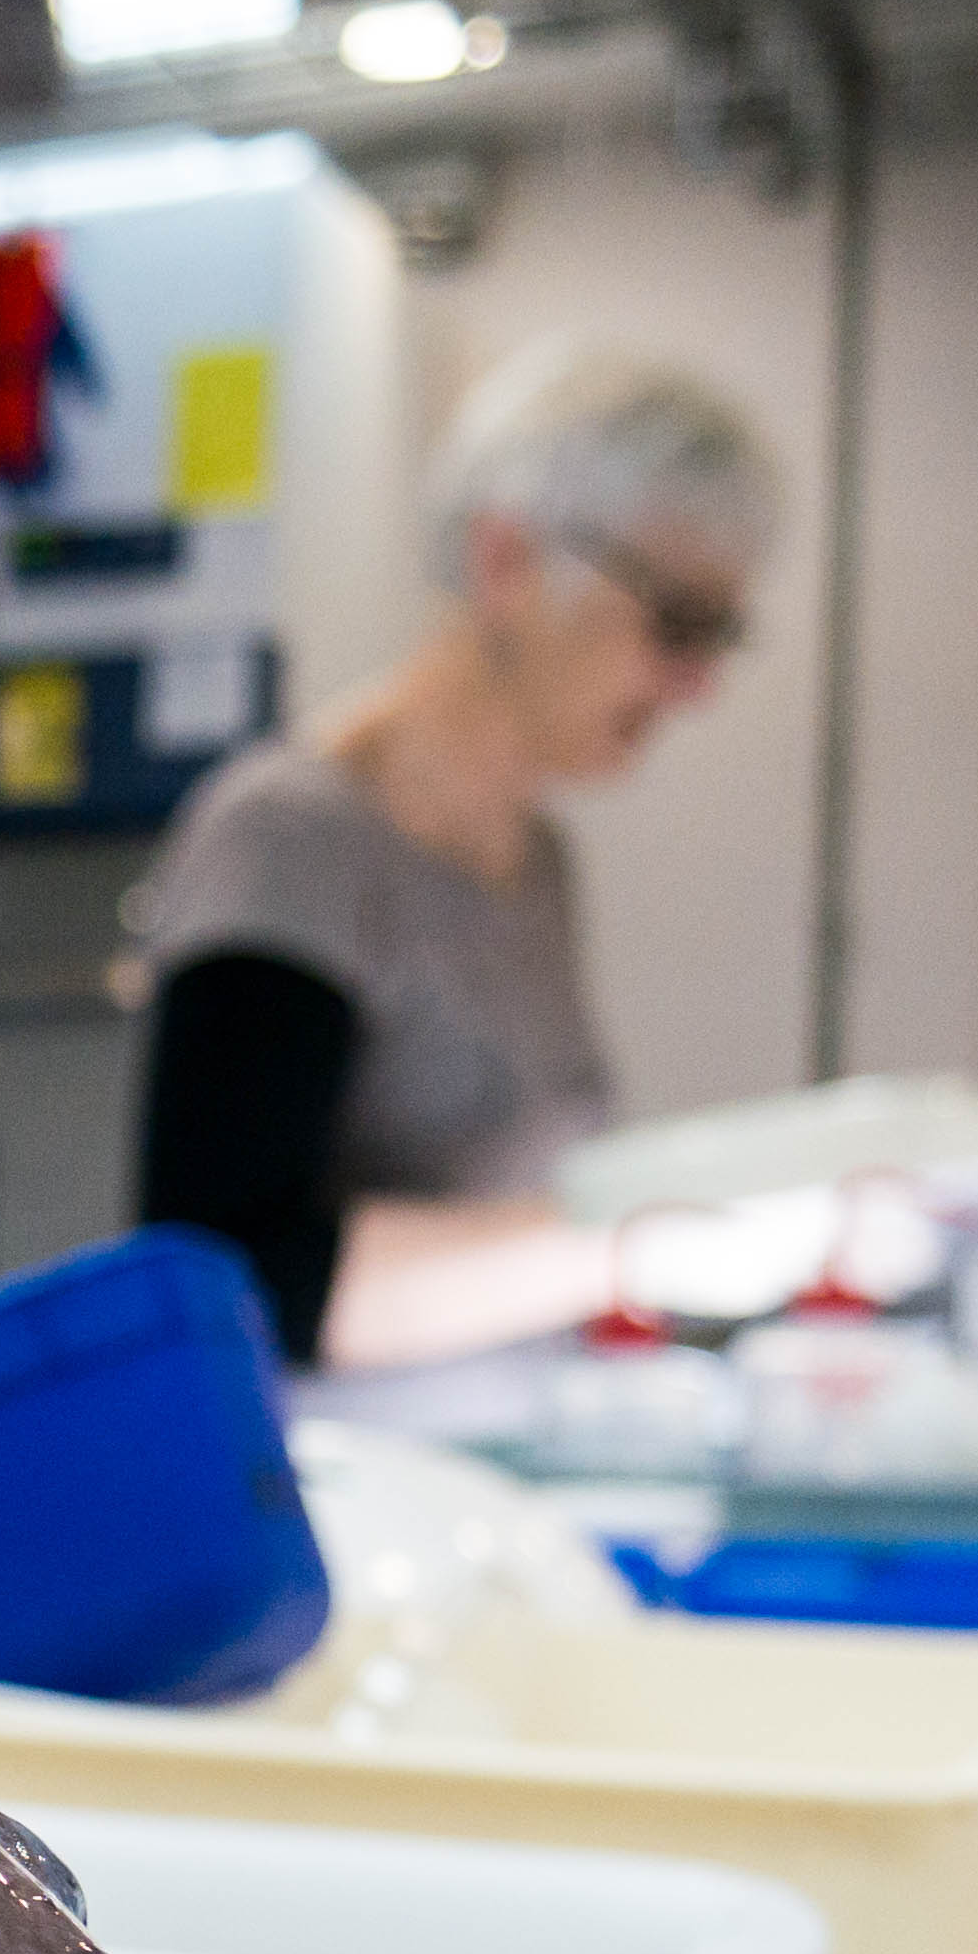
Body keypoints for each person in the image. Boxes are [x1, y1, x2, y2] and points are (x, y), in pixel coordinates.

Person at [132, 341, 780, 1374]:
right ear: (505, 562)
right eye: (675, 625)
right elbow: (223, 1273)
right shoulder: (287, 840)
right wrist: (624, 1249)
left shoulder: (537, 864)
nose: (693, 687)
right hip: (350, 1496)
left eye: (718, 635)